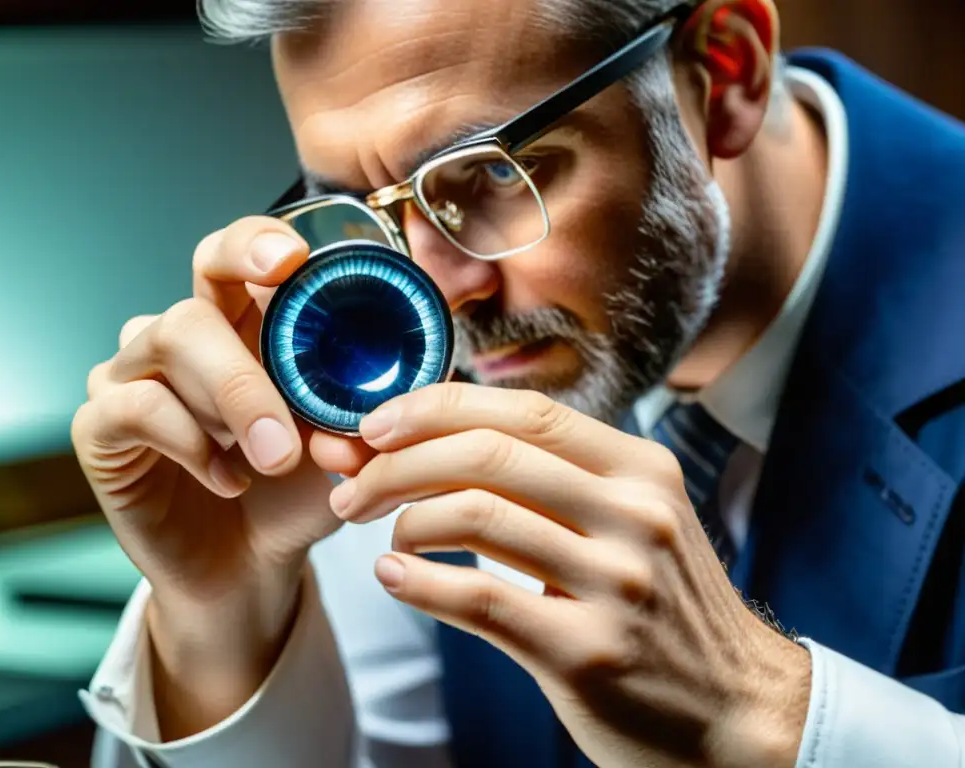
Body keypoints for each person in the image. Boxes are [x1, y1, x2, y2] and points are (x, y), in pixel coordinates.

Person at [71, 0, 965, 764]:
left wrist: (775, 722)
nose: (440, 291)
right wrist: (220, 617)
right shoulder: (397, 376)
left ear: (724, 71)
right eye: (369, 208)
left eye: (496, 173)